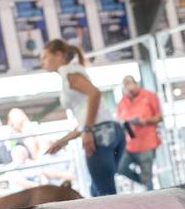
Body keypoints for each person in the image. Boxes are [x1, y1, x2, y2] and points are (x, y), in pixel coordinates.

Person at [41, 38, 124, 197]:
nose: (42, 62)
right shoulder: (73, 71)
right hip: (111, 131)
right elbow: (86, 117)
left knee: (105, 194)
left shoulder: (68, 73)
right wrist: (63, 141)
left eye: (45, 57)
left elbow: (95, 93)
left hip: (100, 133)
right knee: (98, 190)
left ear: (58, 54)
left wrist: (87, 130)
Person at [115, 75, 163, 190]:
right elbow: (119, 119)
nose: (130, 93)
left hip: (147, 143)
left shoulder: (150, 96)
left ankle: (151, 197)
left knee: (148, 178)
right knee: (121, 168)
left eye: (132, 90)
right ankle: (143, 180)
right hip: (130, 145)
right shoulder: (122, 102)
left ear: (136, 85)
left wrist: (145, 121)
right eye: (128, 91)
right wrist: (124, 123)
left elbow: (159, 117)